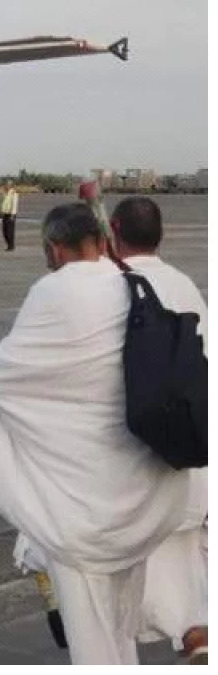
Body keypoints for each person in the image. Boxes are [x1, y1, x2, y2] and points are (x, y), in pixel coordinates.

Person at [0, 203, 189, 664]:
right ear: (100, 241)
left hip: (76, 496)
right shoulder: (131, 285)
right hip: (137, 486)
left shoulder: (53, 291)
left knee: (89, 629)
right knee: (118, 623)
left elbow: (8, 378)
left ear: (55, 248)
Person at [111, 197, 207, 662]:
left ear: (114, 230)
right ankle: (196, 638)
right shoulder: (185, 286)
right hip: (192, 451)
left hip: (137, 456)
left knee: (119, 586)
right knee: (185, 566)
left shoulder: (116, 289)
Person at [0, 180, 19, 250]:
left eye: (7, 185)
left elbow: (14, 204)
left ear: (11, 186)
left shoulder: (14, 193)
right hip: (5, 214)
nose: (6, 186)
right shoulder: (4, 193)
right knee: (4, 231)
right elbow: (3, 203)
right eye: (6, 184)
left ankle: (11, 246)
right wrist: (1, 212)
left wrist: (13, 215)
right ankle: (9, 244)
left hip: (11, 214)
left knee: (10, 231)